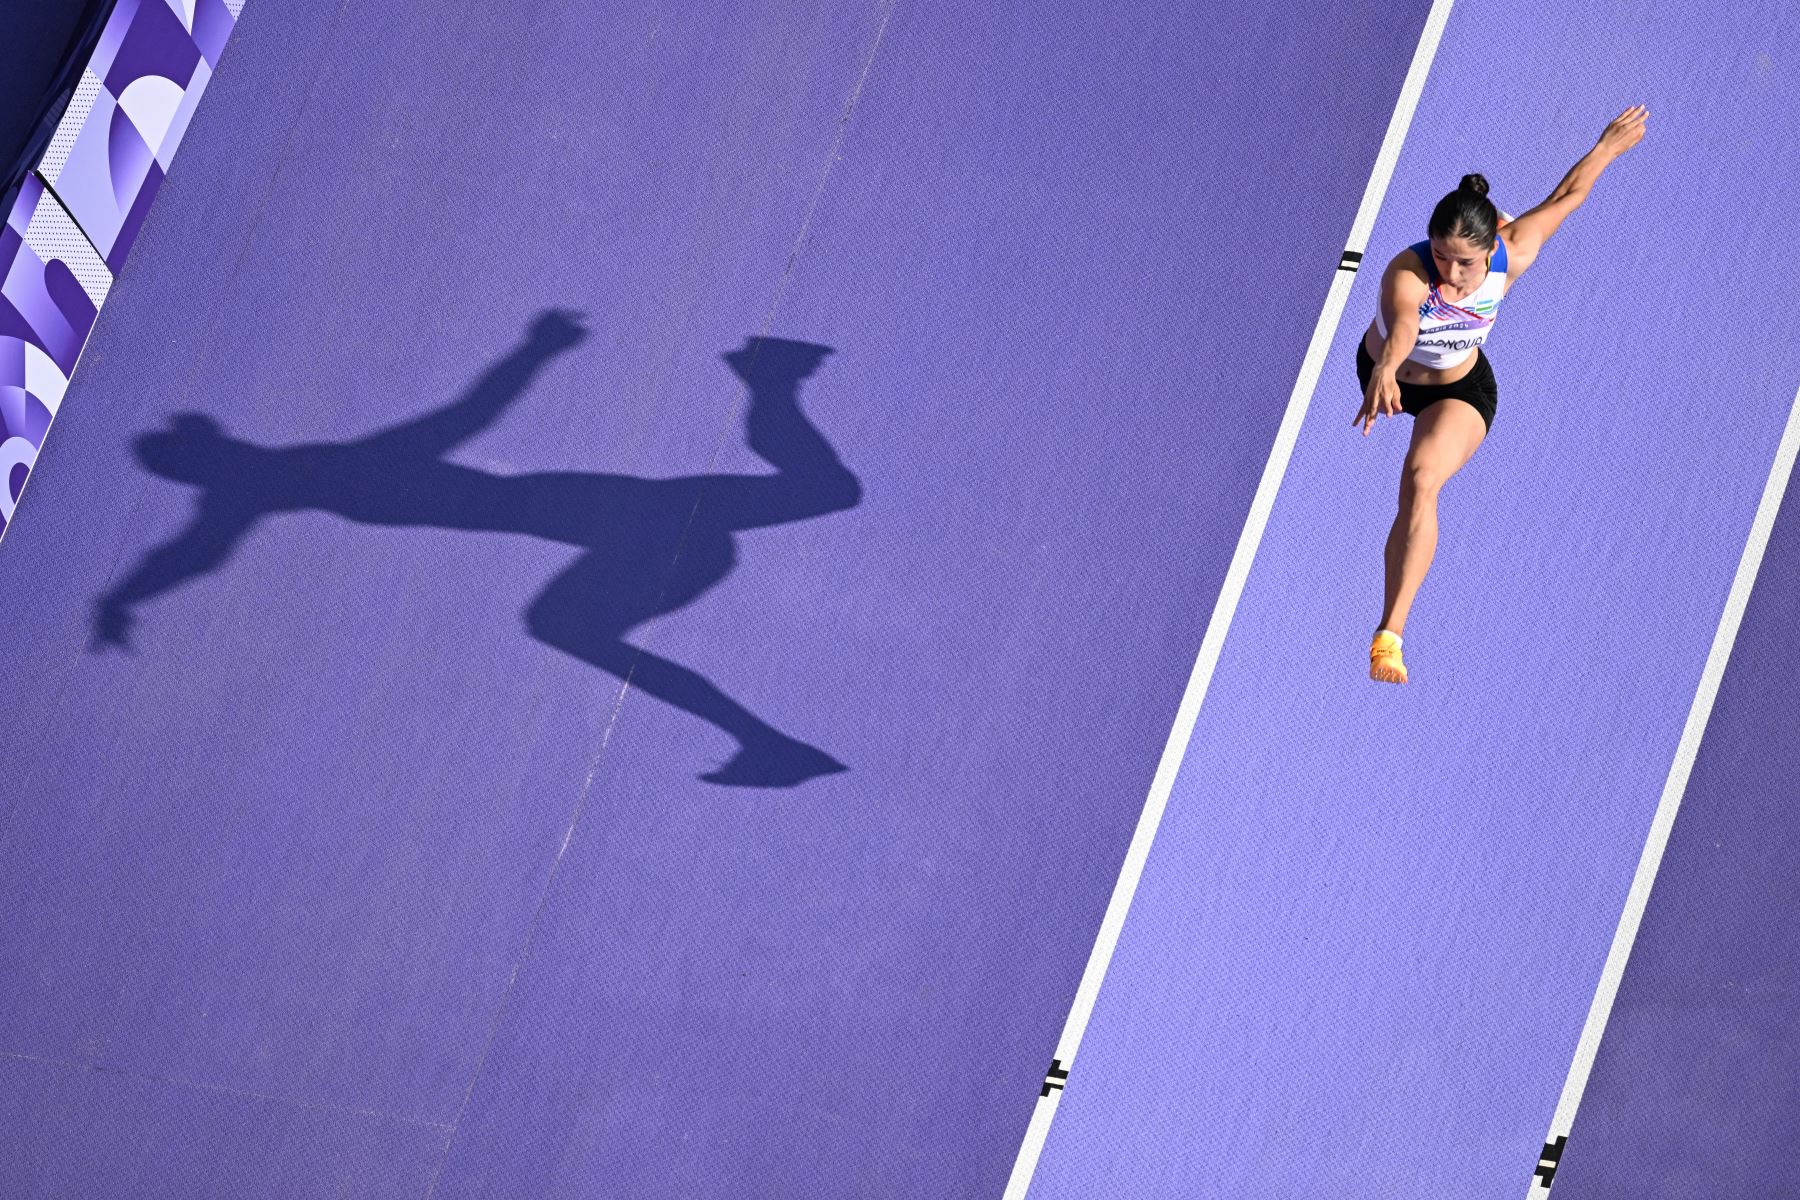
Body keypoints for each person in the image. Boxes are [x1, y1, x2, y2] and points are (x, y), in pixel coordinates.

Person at [1353, 104, 1650, 683]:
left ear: (1490, 253)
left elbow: (1566, 197)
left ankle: (1389, 633)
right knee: (1414, 459)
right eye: (1440, 254)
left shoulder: (1513, 253)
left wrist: (1606, 149)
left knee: (1420, 481)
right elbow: (1405, 327)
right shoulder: (1406, 274)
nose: (1448, 270)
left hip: (1459, 388)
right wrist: (1386, 369)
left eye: (1462, 262)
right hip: (1386, 375)